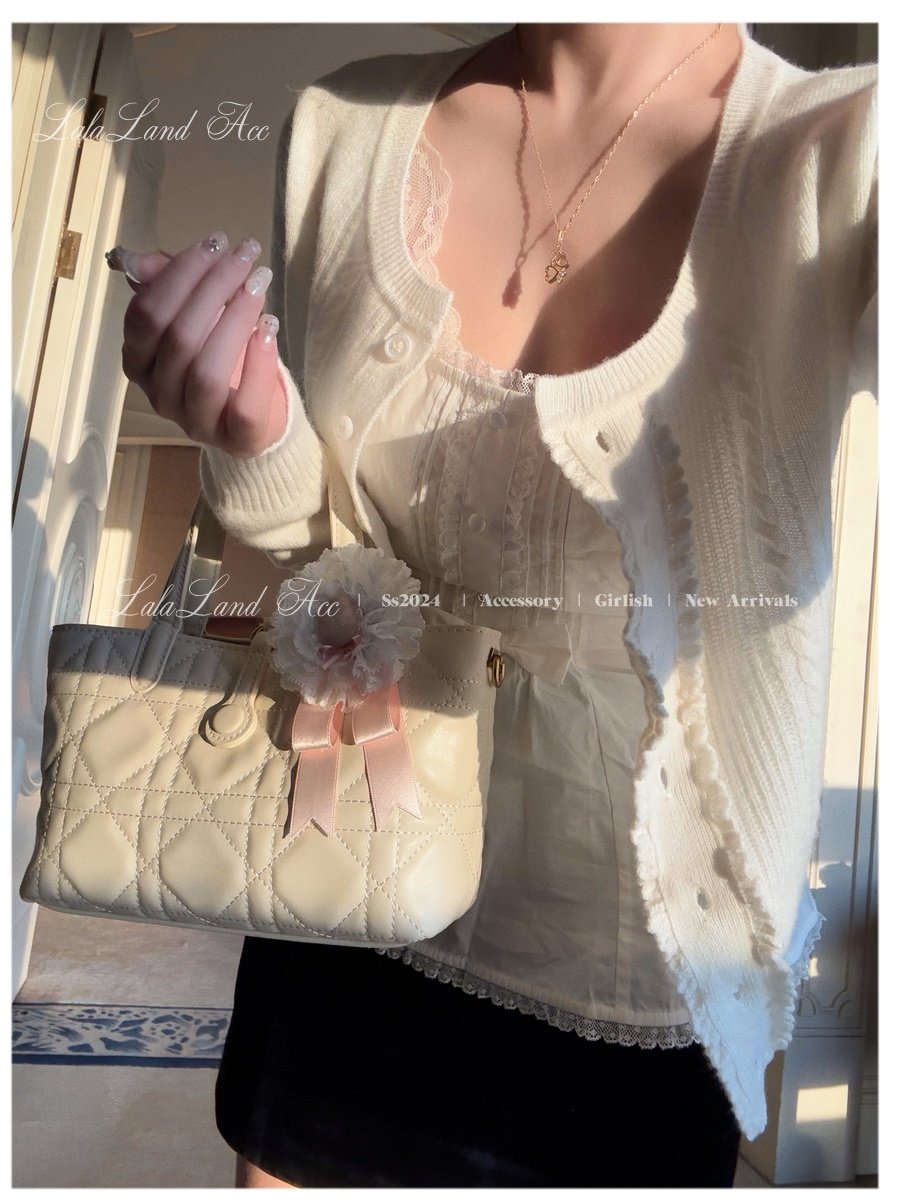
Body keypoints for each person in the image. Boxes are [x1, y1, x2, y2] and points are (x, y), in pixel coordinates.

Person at [110, 21, 877, 1187]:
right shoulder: (340, 129)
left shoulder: (847, 150)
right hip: (346, 873)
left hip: (637, 960)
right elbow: (326, 557)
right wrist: (252, 435)